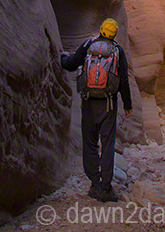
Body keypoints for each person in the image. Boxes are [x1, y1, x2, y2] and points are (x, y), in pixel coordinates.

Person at [60, 17, 132, 202]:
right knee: (107, 145)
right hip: (108, 104)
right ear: (114, 35)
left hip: (88, 102)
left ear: (101, 30)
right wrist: (128, 105)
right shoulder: (117, 51)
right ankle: (106, 188)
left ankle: (94, 183)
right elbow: (124, 80)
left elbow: (71, 64)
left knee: (90, 143)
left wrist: (62, 57)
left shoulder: (88, 44)